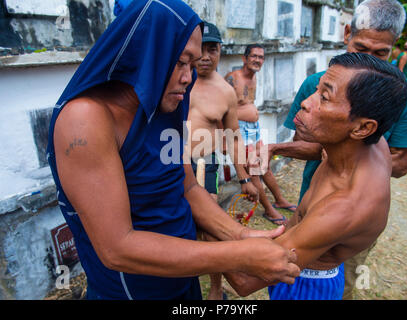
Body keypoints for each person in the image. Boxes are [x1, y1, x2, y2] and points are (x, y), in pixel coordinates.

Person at [46, 0, 300, 300]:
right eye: (180, 62)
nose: (188, 77)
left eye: (193, 66)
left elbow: (188, 186)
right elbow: (118, 248)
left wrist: (239, 234)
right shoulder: (85, 121)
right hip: (133, 292)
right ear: (144, 53)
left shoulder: (167, 106)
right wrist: (237, 254)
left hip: (181, 280)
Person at [267, 0, 407, 299]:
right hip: (311, 204)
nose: (368, 62)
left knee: (331, 281)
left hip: (342, 223)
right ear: (346, 34)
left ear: (365, 128)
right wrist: (276, 148)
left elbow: (401, 163)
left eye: (380, 54)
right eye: (361, 49)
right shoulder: (319, 84)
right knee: (285, 271)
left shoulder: (403, 94)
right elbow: (309, 139)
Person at [221, 52, 407, 300]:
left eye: (325, 97)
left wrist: (203, 216)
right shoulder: (367, 145)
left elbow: (246, 281)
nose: (306, 102)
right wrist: (274, 148)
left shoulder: (344, 208)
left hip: (306, 287)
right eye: (316, 89)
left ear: (363, 127)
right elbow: (321, 149)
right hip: (298, 250)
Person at [187, 21, 259, 300]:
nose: (205, 56)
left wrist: (245, 178)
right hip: (172, 160)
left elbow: (233, 138)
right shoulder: (175, 79)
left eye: (212, 49)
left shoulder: (225, 92)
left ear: (219, 52)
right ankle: (182, 281)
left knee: (210, 226)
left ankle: (216, 289)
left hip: (206, 162)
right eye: (200, 49)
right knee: (180, 224)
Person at [225, 44, 297, 226]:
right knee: (255, 170)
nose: (258, 60)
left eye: (261, 57)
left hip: (254, 128)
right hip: (239, 129)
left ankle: (280, 200)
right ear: (245, 58)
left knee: (265, 165)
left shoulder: (254, 78)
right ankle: (269, 211)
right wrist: (225, 139)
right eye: (254, 56)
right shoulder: (232, 79)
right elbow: (222, 110)